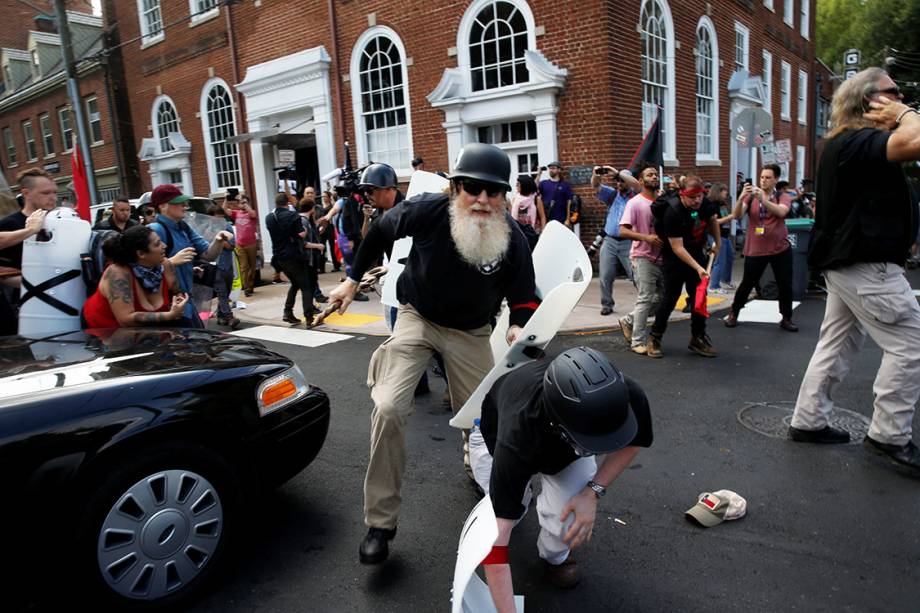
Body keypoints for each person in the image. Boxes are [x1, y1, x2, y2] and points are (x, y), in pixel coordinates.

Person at [327, 143, 538, 565]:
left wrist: (518, 323)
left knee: (485, 420)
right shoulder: (426, 211)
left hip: (471, 332)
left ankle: (479, 466)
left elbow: (524, 296)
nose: (482, 199)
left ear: (504, 196)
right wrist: (351, 281)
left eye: (493, 191)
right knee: (387, 407)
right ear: (455, 187)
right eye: (472, 188)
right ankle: (380, 523)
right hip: (417, 318)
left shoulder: (511, 238)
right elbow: (381, 230)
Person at [789, 68, 920, 472]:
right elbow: (916, 139)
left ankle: (809, 421)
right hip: (866, 266)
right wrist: (903, 112)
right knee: (911, 342)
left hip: (850, 265)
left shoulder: (846, 144)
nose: (899, 97)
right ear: (870, 100)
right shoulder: (860, 140)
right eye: (891, 92)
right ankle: (889, 434)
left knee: (836, 343)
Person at [470, 347, 653, 604]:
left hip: (562, 445)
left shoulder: (624, 395)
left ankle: (554, 559)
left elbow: (635, 441)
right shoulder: (517, 436)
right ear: (559, 425)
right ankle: (476, 450)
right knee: (510, 511)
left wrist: (592, 493)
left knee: (567, 519)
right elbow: (496, 544)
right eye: (592, 443)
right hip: (498, 431)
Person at [646, 175, 720, 358]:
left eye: (700, 196)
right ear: (682, 194)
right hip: (674, 258)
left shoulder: (704, 204)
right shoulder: (673, 212)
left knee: (699, 298)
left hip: (696, 252)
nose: (697, 201)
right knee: (670, 298)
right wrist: (698, 267)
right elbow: (677, 247)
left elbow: (712, 220)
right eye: (692, 197)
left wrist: (718, 243)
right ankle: (655, 337)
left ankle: (698, 337)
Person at [722, 164, 797, 331]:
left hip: (780, 248)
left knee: (785, 284)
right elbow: (737, 215)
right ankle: (734, 313)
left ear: (776, 179)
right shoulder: (751, 197)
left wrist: (763, 199)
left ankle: (786, 318)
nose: (763, 181)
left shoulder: (782, 196)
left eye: (768, 177)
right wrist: (742, 197)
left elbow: (781, 212)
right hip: (756, 249)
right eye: (762, 177)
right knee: (747, 283)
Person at [148, 184, 233, 328]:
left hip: (187, 300)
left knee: (196, 343)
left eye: (184, 202)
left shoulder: (184, 227)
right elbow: (143, 268)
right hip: (169, 304)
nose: (185, 206)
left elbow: (208, 255)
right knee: (186, 346)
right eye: (179, 203)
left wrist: (218, 240)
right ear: (162, 206)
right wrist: (172, 262)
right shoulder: (155, 230)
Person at [82, 225, 189, 328]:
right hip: (103, 331)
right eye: (157, 244)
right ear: (141, 254)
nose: (164, 246)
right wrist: (170, 315)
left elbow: (176, 292)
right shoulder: (117, 273)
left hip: (147, 333)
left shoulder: (166, 265)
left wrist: (178, 301)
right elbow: (125, 320)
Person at [617, 164, 664, 355]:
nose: (654, 177)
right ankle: (637, 341)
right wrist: (646, 237)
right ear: (642, 181)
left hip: (663, 257)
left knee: (661, 300)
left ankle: (629, 320)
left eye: (655, 174)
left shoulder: (662, 201)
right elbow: (622, 230)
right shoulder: (635, 203)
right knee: (645, 298)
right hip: (642, 256)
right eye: (650, 175)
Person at [592, 165, 641, 316]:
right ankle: (607, 304)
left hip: (629, 242)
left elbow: (638, 185)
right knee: (605, 275)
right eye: (617, 181)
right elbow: (595, 185)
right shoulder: (612, 195)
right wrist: (596, 174)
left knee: (636, 275)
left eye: (622, 181)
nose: (619, 184)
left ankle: (646, 304)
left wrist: (616, 172)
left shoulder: (636, 196)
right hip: (610, 241)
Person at [266, 192, 319, 325]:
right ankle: (309, 318)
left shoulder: (269, 218)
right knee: (306, 286)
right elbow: (301, 234)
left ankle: (287, 312)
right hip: (294, 256)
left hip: (279, 257)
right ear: (287, 202)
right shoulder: (292, 216)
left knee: (295, 284)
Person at [0, 168, 57, 276]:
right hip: (29, 291)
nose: (53, 198)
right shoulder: (10, 223)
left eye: (55, 192)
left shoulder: (60, 221)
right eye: (46, 193)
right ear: (26, 193)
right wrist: (30, 230)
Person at [207, 204, 240, 329]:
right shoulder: (207, 229)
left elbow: (232, 245)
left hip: (227, 264)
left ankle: (221, 316)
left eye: (221, 217)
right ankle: (229, 317)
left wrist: (221, 240)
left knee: (227, 291)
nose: (220, 221)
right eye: (217, 218)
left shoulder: (227, 227)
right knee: (222, 292)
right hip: (215, 265)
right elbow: (204, 245)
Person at [228, 193, 258, 297]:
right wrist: (226, 198)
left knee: (252, 266)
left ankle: (251, 286)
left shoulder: (251, 213)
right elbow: (224, 210)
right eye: (241, 203)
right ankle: (246, 288)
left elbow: (253, 214)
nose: (242, 204)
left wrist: (245, 203)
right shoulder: (236, 213)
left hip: (251, 244)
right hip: (239, 244)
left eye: (244, 202)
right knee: (243, 266)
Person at [707, 183, 735, 293]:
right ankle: (714, 286)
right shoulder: (712, 205)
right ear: (718, 192)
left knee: (730, 256)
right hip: (715, 235)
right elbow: (714, 222)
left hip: (725, 235)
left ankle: (725, 280)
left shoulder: (722, 204)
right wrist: (730, 217)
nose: (726, 193)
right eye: (724, 190)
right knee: (719, 260)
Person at [538, 161, 574, 227]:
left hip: (561, 219)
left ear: (559, 170)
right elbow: (532, 188)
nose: (551, 170)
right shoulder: (543, 183)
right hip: (547, 219)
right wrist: (539, 174)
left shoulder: (565, 185)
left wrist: (568, 219)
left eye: (553, 168)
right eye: (550, 168)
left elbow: (569, 203)